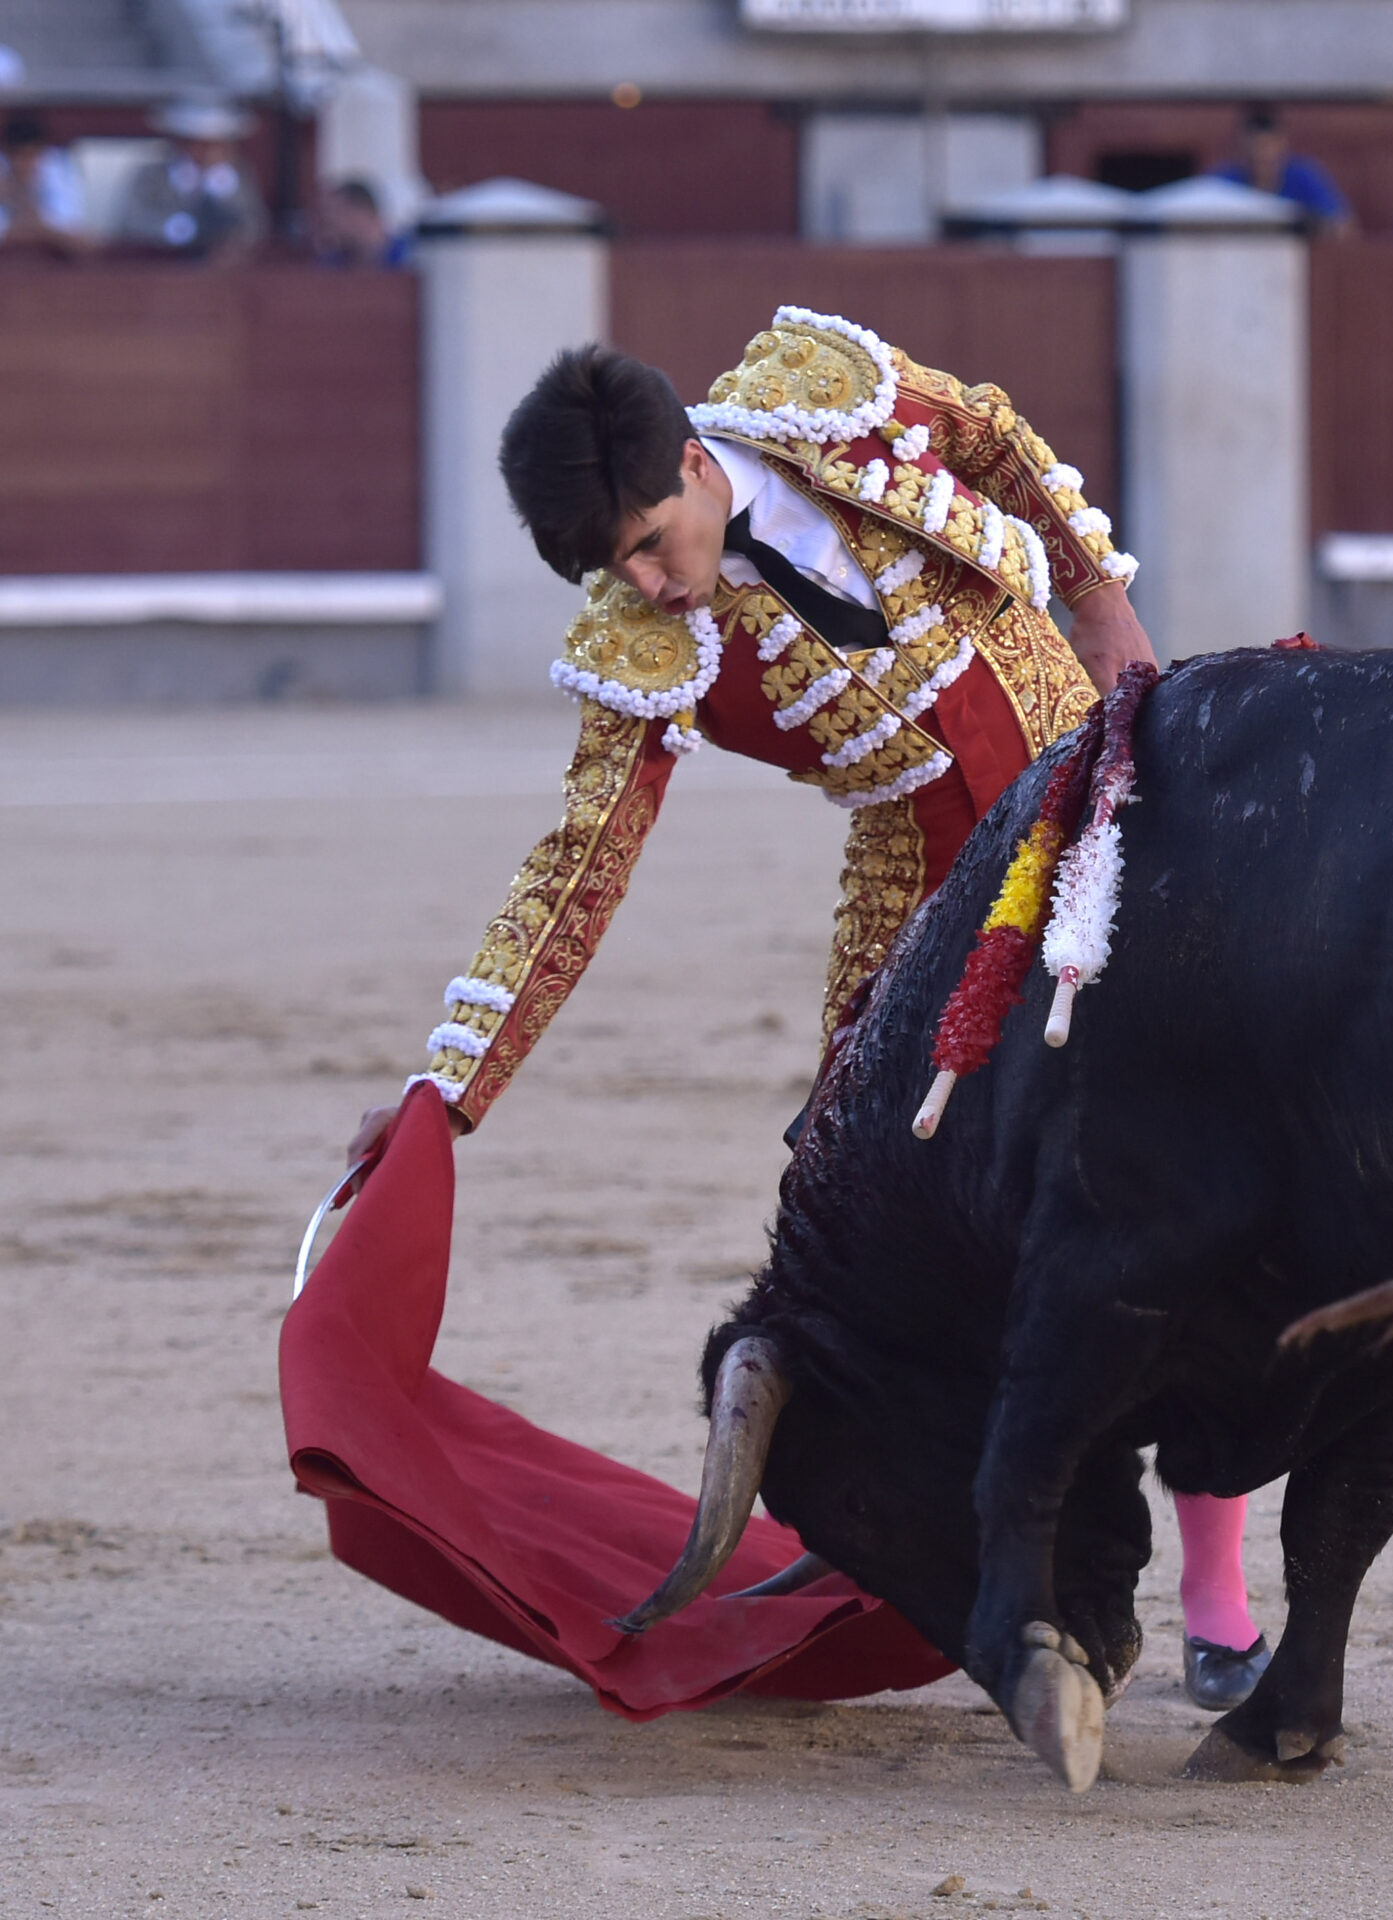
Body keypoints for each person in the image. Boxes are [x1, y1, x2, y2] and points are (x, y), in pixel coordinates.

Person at [341, 312, 1271, 1711]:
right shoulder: (642, 645)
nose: (650, 586)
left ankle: (1217, 1590)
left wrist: (1099, 599)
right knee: (869, 1207)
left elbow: (997, 438)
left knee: (1200, 1153)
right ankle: (917, 1531)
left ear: (700, 472)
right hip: (918, 889)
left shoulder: (826, 397)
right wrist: (445, 1093)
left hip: (1093, 794)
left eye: (655, 542)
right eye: (615, 568)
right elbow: (580, 863)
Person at [119, 97, 265, 261]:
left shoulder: (238, 177)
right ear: (178, 143)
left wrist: (221, 197)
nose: (206, 153)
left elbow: (255, 225)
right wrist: (181, 229)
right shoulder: (151, 176)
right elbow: (131, 221)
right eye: (197, 144)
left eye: (215, 145)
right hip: (160, 265)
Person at [1213, 104, 1354, 235]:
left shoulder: (1303, 178)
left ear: (1281, 144)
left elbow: (1342, 226)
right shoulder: (1223, 182)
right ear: (1241, 148)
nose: (1261, 155)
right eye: (1255, 148)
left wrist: (1305, 227)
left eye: (1266, 147)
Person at [0, 110, 90, 255]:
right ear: (7, 155)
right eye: (19, 156)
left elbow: (80, 242)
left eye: (31, 156)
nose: (25, 165)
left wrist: (20, 205)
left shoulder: (58, 173)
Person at [312, 177, 409, 268]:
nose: (331, 222)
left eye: (338, 213)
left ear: (366, 213)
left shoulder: (410, 257)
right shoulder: (331, 264)